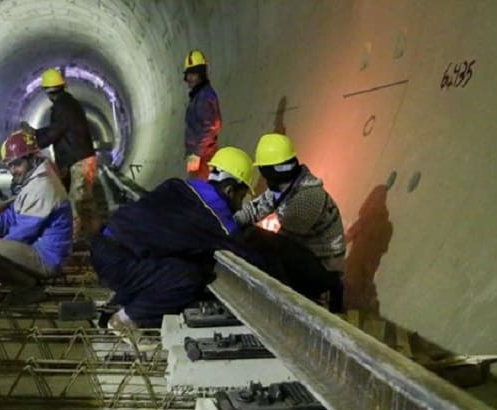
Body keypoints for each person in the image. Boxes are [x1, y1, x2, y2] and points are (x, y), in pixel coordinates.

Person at [90, 146, 276, 334]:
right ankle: (124, 320)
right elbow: (244, 254)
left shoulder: (179, 186)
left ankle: (120, 300)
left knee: (177, 261)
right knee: (188, 278)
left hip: (104, 246)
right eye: (241, 197)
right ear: (229, 190)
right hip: (120, 264)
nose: (239, 206)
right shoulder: (217, 219)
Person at [233, 133, 346, 311]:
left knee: (258, 241)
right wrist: (229, 222)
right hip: (308, 259)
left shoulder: (308, 198)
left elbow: (284, 245)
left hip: (323, 272)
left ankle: (304, 299)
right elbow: (256, 209)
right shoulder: (287, 187)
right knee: (252, 236)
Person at [0, 130, 73, 289]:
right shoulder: (34, 179)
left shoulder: (42, 186)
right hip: (43, 250)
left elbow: (21, 233)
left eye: (17, 164)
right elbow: (14, 213)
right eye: (10, 165)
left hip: (47, 259)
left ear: (32, 159)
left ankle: (27, 289)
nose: (13, 170)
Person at [22, 68, 98, 238]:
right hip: (82, 158)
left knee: (75, 204)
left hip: (80, 160)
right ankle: (97, 236)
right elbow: (59, 131)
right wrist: (36, 133)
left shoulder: (63, 106)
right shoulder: (68, 103)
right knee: (85, 203)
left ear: (47, 91)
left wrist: (34, 138)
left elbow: (54, 132)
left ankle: (71, 241)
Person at [183, 50, 222, 180]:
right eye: (188, 74)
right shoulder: (198, 96)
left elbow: (211, 126)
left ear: (201, 74)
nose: (189, 78)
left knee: (202, 193)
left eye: (193, 74)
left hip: (204, 158)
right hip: (199, 157)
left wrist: (197, 154)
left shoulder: (204, 96)